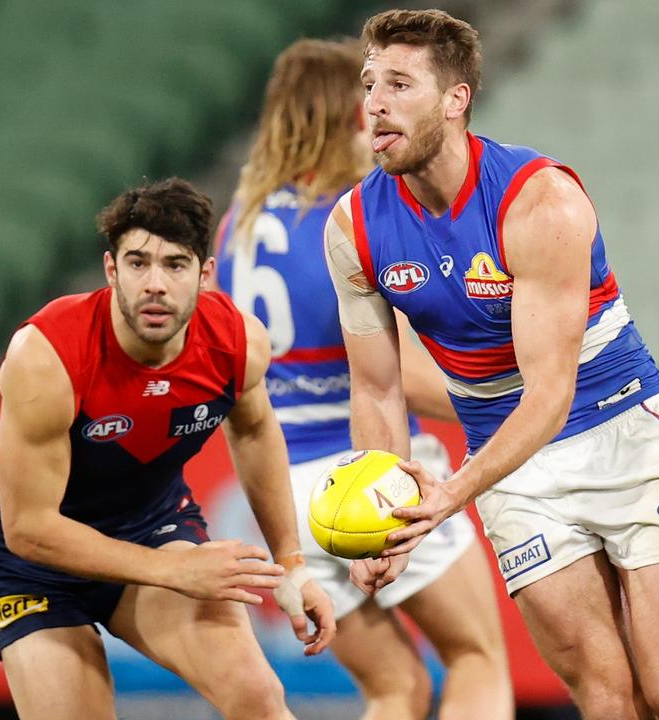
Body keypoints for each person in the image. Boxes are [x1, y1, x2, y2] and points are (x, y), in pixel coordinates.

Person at [327, 9, 659, 720]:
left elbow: (550, 396)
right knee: (606, 697)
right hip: (513, 469)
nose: (374, 102)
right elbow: (377, 387)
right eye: (370, 83)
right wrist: (388, 517)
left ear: (455, 99)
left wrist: (448, 496)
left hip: (622, 431)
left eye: (400, 84)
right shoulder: (353, 230)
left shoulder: (540, 202)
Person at [216, 38, 512, 720]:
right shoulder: (351, 223)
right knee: (476, 659)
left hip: (288, 495)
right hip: (369, 467)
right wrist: (520, 406)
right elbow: (399, 379)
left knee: (394, 689)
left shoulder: (238, 226)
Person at [0, 178, 335, 720]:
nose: (156, 284)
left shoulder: (238, 342)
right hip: (35, 570)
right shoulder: (47, 356)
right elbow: (29, 529)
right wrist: (177, 573)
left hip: (151, 527)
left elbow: (256, 432)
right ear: (111, 270)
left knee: (259, 699)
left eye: (175, 264)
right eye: (138, 263)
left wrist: (293, 565)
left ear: (205, 276)